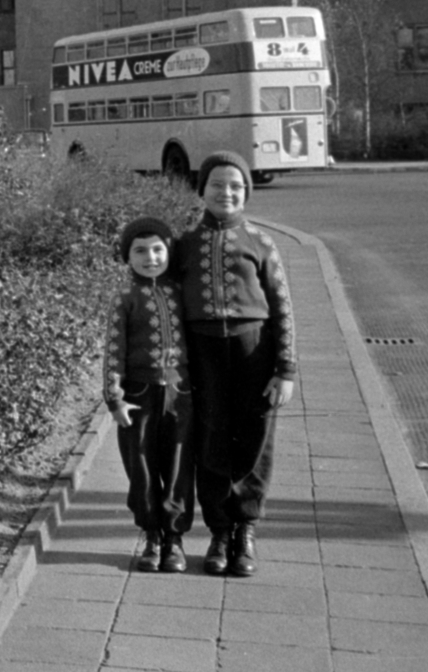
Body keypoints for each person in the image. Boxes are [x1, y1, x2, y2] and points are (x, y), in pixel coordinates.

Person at [178, 151, 296, 578]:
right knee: (209, 437)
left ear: (246, 192)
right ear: (202, 190)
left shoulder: (262, 243)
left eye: (235, 186)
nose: (225, 193)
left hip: (254, 352)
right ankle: (219, 529)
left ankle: (245, 527)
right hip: (203, 353)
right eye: (216, 185)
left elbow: (282, 307)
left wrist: (286, 370)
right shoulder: (185, 245)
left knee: (253, 436)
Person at [103, 216, 194, 573]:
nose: (150, 257)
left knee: (177, 465)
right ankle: (151, 533)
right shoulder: (124, 297)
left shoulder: (180, 293)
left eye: (158, 249)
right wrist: (114, 397)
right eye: (140, 251)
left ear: (168, 251)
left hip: (180, 392)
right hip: (137, 394)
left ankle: (174, 538)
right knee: (140, 464)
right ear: (128, 257)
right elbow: (114, 348)